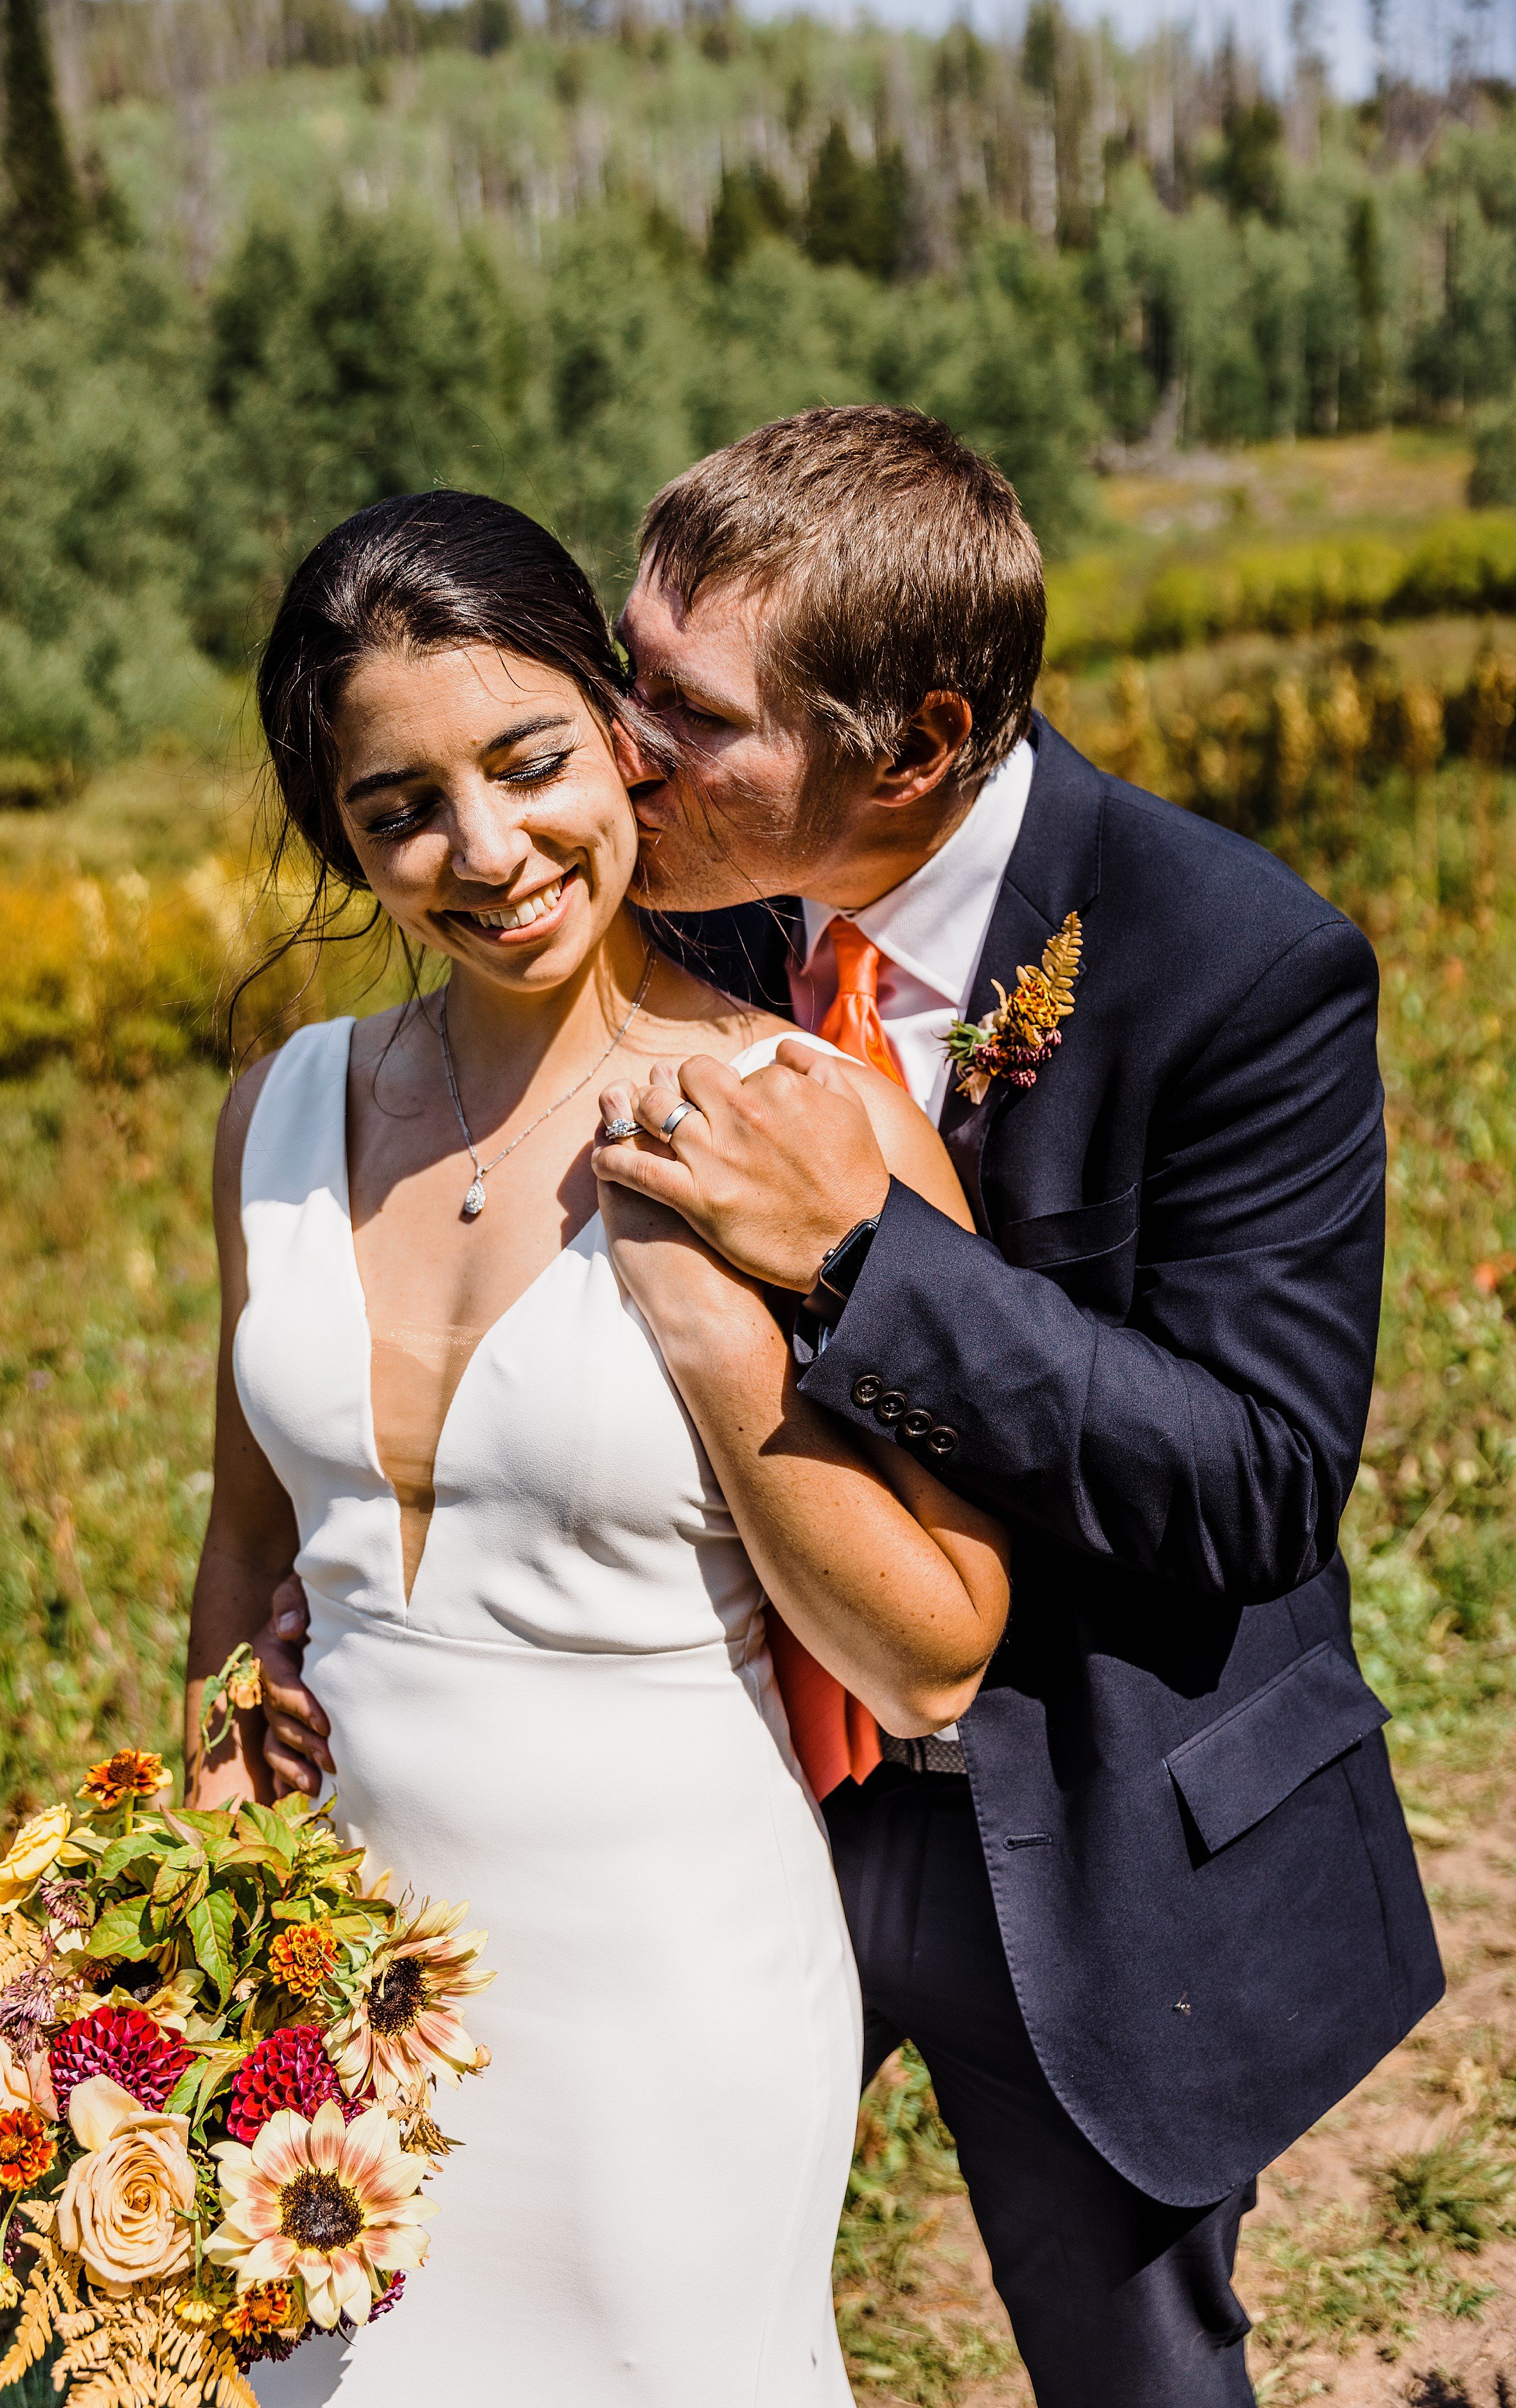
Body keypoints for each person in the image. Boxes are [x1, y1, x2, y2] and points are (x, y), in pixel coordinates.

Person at [266, 405, 1443, 2408]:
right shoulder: (675, 893)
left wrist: (870, 1264)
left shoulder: (1232, 962)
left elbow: (1251, 1480)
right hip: (711, 1810)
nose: (623, 743)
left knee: (1131, 2370)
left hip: (1075, 1806)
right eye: (623, 676)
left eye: (685, 710)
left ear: (911, 742)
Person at [182, 486, 1012, 2407]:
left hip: (668, 2001)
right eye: (399, 808)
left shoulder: (810, 1116)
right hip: (338, 1999)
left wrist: (722, 1346)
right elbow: (249, 1544)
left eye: (530, 760)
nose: (487, 850)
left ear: (617, 733)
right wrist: (219, 1768)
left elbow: (940, 1640)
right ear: (347, 841)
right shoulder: (278, 1117)